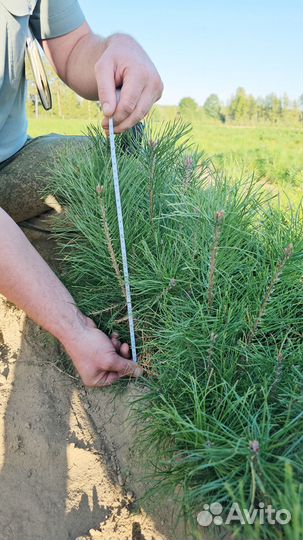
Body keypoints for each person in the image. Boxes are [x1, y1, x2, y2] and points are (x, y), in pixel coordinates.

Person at [0, 0, 163, 386]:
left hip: (9, 160)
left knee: (110, 163)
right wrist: (73, 327)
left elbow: (74, 48)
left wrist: (117, 48)